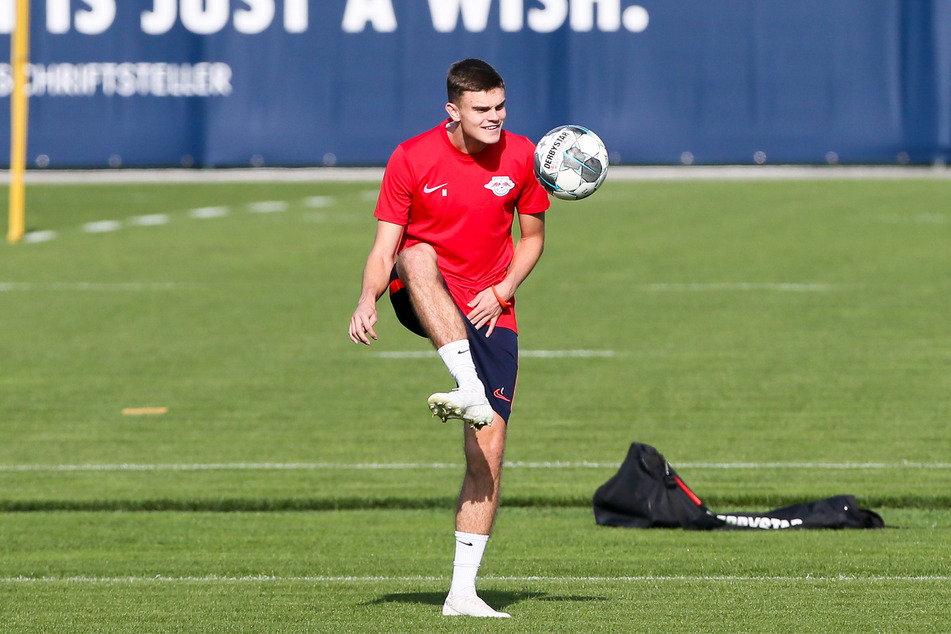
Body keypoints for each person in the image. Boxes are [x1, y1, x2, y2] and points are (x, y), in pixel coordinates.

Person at [348, 58, 550, 618]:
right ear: (453, 111)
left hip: (490, 306)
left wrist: (503, 288)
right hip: (422, 290)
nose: (495, 117)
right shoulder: (412, 157)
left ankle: (462, 594)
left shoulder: (523, 154)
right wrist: (367, 298)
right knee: (416, 253)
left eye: (501, 106)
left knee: (488, 450)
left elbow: (532, 239)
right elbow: (386, 247)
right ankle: (466, 382)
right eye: (481, 109)